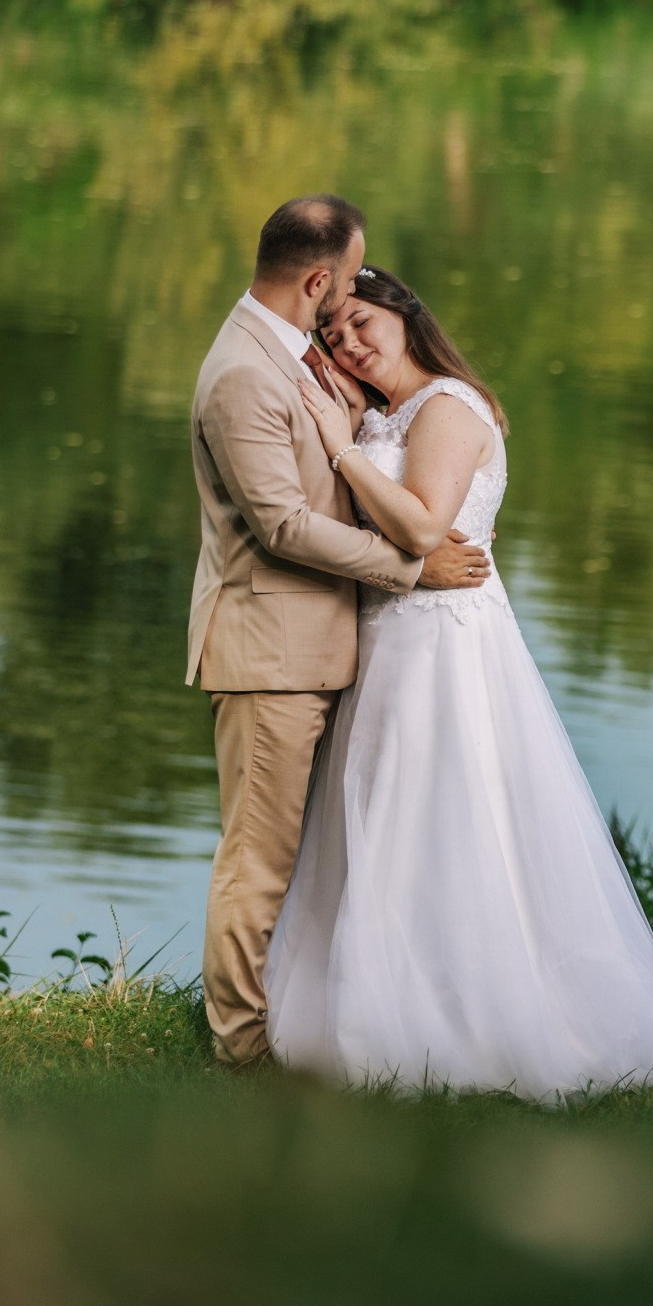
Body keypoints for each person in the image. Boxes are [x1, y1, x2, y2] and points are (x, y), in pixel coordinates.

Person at [266, 264, 653, 1101]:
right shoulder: (385, 413)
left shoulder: (445, 406)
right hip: (386, 634)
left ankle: (463, 1022)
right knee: (374, 809)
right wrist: (344, 425)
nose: (350, 343)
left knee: (436, 809)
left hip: (439, 644)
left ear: (405, 314)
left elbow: (423, 526)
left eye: (362, 322)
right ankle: (369, 1007)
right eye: (333, 335)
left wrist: (338, 443)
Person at [188, 197, 489, 1067]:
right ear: (318, 279)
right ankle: (241, 1055)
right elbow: (281, 524)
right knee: (259, 862)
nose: (354, 299)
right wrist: (410, 569)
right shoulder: (244, 371)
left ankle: (317, 1017)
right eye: (350, 280)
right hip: (270, 655)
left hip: (334, 650)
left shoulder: (295, 357)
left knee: (324, 856)